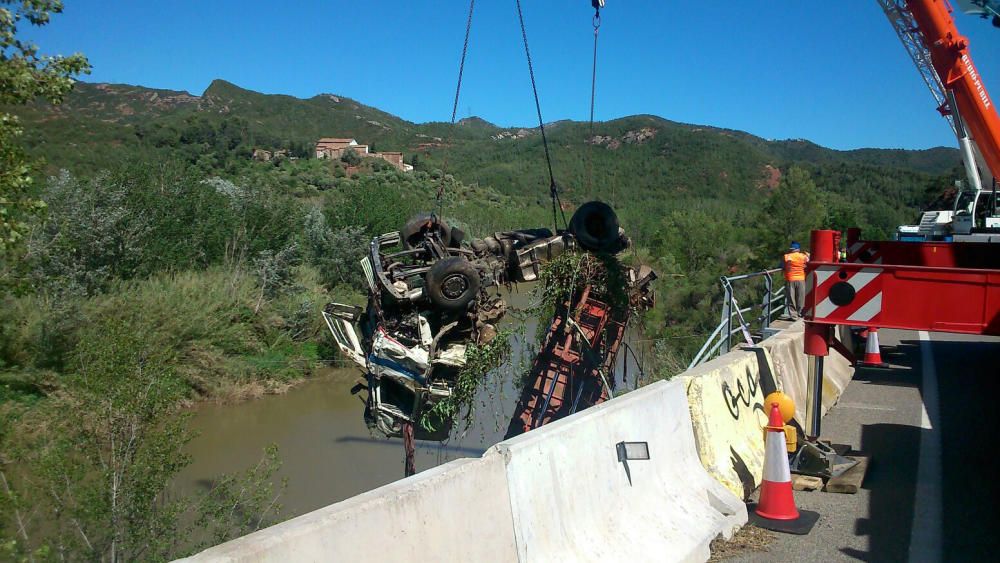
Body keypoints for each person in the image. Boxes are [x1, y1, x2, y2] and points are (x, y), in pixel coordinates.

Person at [783, 242, 810, 319]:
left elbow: (782, 266)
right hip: (801, 279)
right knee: (801, 297)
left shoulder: (787, 256)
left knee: (791, 298)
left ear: (791, 249)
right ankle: (800, 313)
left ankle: (793, 315)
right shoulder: (803, 256)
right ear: (798, 249)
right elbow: (810, 262)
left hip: (790, 279)